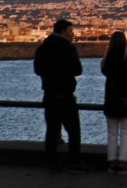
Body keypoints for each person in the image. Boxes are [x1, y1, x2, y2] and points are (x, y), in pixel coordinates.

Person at [33, 18, 88, 173]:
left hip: (49, 94)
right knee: (73, 131)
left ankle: (52, 162)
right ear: (63, 32)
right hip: (65, 94)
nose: (73, 34)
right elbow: (77, 70)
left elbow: (38, 70)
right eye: (71, 31)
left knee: (51, 130)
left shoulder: (42, 48)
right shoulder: (69, 49)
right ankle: (75, 162)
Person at [101, 31, 127, 175]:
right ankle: (122, 163)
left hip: (111, 101)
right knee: (126, 133)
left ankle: (112, 162)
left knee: (111, 133)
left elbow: (105, 71)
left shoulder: (107, 59)